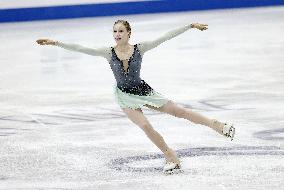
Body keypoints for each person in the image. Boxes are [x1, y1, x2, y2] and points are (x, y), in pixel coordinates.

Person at [36, 20, 235, 174]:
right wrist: (56, 43)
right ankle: (171, 157)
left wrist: (190, 26)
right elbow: (82, 48)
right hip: (124, 96)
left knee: (179, 111)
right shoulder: (108, 52)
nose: (117, 34)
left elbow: (165, 37)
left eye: (121, 31)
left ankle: (216, 125)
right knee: (146, 126)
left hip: (143, 90)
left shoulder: (141, 48)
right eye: (114, 31)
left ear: (129, 33)